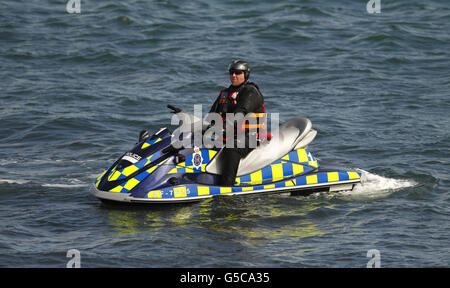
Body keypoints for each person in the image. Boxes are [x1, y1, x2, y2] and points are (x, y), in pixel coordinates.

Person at [209, 60, 267, 186]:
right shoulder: (225, 93)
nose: (233, 75)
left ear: (245, 74)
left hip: (250, 136)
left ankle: (227, 185)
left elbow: (240, 113)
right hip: (230, 134)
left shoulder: (251, 92)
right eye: (231, 72)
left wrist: (223, 127)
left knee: (232, 148)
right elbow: (211, 116)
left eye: (237, 72)